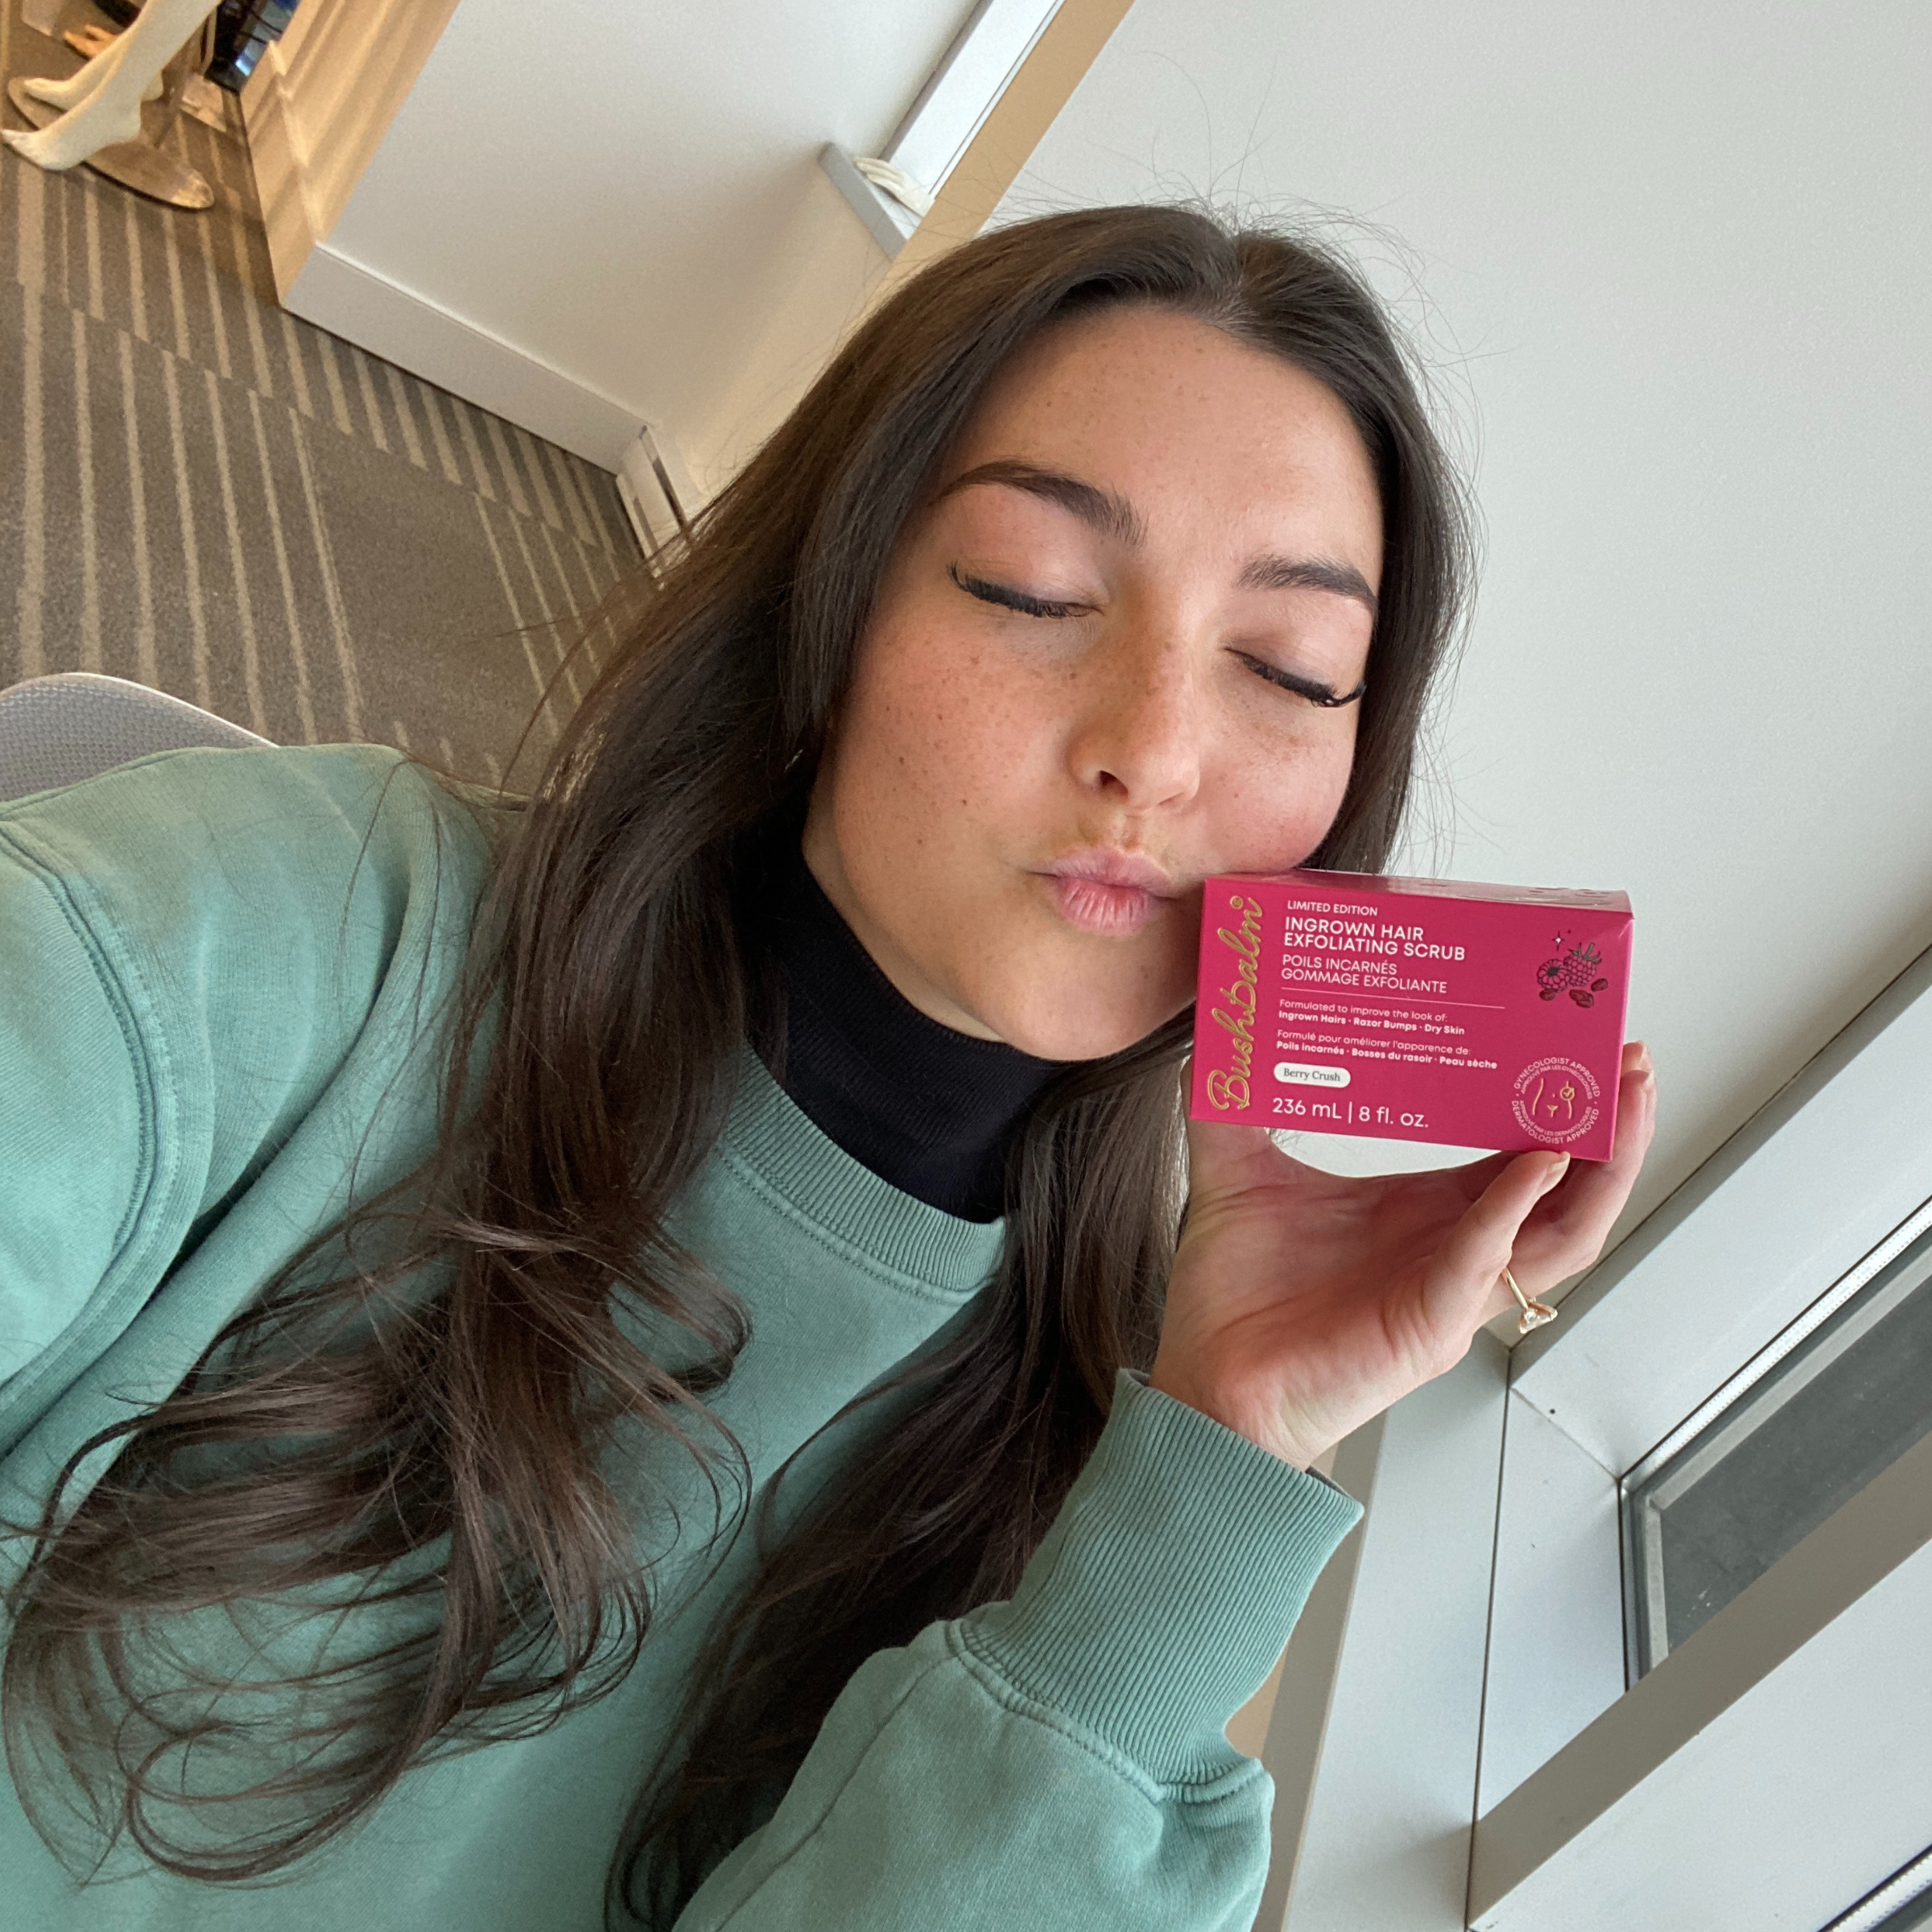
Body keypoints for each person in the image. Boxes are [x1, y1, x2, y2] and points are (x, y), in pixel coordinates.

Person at [0, 204, 1657, 1930]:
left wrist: (1230, 1445)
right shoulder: (294, 925)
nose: (1154, 753)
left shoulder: (1102, 1476)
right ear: (829, 599)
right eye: (1034, 588)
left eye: (1288, 669)